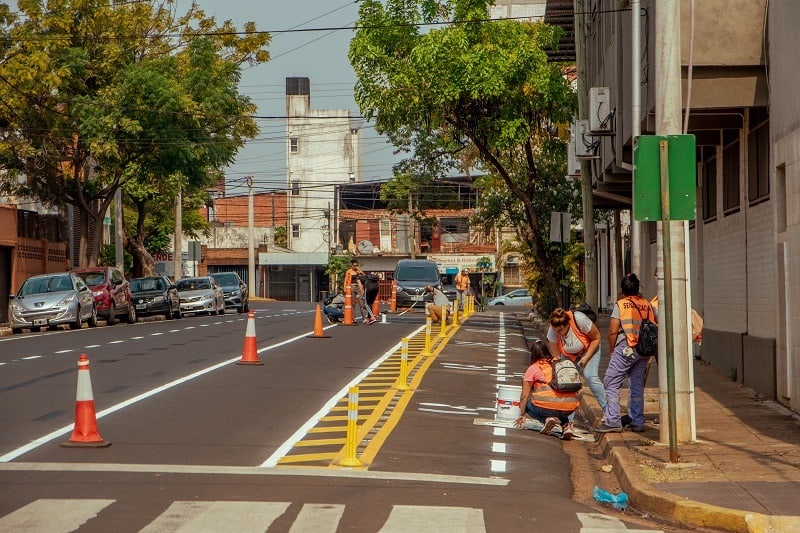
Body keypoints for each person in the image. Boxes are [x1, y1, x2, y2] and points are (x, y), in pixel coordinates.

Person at [595, 272, 657, 433]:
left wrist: (612, 349)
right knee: (636, 384)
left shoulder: (621, 305)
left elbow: (612, 331)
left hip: (626, 346)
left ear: (623, 290)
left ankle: (613, 420)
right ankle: (637, 420)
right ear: (637, 288)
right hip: (643, 349)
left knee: (611, 381)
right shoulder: (647, 304)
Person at [513, 339, 579, 440]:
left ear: (533, 354)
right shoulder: (558, 362)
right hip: (570, 406)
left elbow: (524, 396)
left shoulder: (533, 368)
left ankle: (547, 419)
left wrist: (522, 414)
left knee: (529, 405)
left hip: (546, 406)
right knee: (560, 405)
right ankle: (567, 426)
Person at [547, 307, 607, 411]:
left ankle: (609, 412)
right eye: (556, 330)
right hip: (569, 354)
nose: (559, 333)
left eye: (561, 330)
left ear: (568, 324)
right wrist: (560, 367)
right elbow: (554, 350)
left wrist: (586, 357)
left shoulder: (579, 319)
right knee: (567, 382)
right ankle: (568, 420)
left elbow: (596, 337)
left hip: (589, 348)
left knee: (590, 376)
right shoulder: (553, 328)